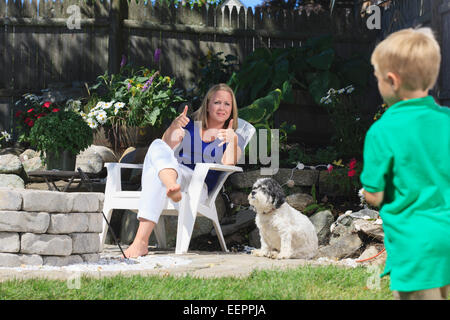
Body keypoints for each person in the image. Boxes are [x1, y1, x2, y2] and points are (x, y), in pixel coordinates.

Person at [360, 27, 450, 300]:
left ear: (392, 80)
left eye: (377, 78)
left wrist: (367, 192)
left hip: (413, 241)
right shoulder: (446, 120)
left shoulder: (382, 131)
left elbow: (374, 194)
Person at [124, 83, 245, 258]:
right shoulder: (191, 127)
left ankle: (141, 241)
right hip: (177, 174)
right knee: (157, 145)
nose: (222, 107)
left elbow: (229, 163)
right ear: (208, 105)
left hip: (198, 185)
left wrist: (232, 140)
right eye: (217, 102)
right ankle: (170, 184)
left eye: (227, 104)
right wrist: (173, 127)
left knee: (157, 174)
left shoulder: (233, 136)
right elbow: (166, 146)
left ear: (232, 109)